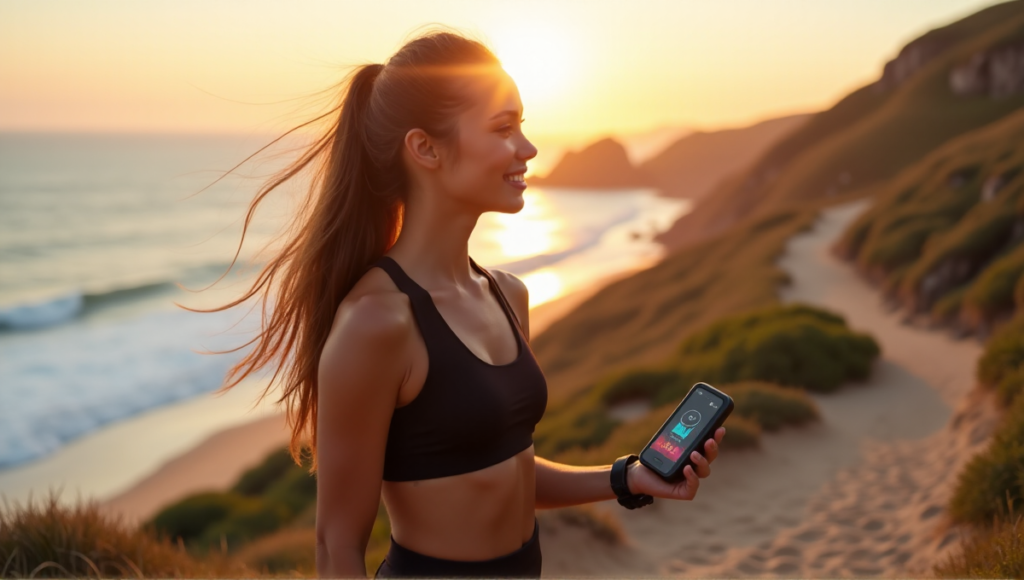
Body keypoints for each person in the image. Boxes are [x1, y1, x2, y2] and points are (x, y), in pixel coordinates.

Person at [203, 29, 725, 578]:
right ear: (425, 148)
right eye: (503, 128)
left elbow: (504, 472)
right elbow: (336, 547)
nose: (527, 148)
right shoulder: (378, 323)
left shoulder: (507, 295)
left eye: (522, 125)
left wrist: (626, 477)